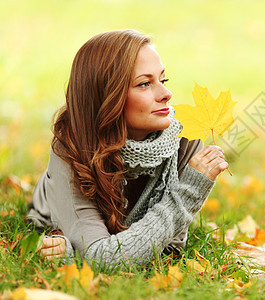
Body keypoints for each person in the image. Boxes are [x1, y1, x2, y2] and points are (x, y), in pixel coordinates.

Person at [27, 29, 228, 266]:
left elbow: (169, 248)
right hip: (51, 202)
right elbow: (103, 260)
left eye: (163, 80)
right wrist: (185, 196)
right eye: (144, 84)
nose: (166, 94)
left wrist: (82, 255)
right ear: (106, 97)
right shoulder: (71, 148)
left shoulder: (184, 141)